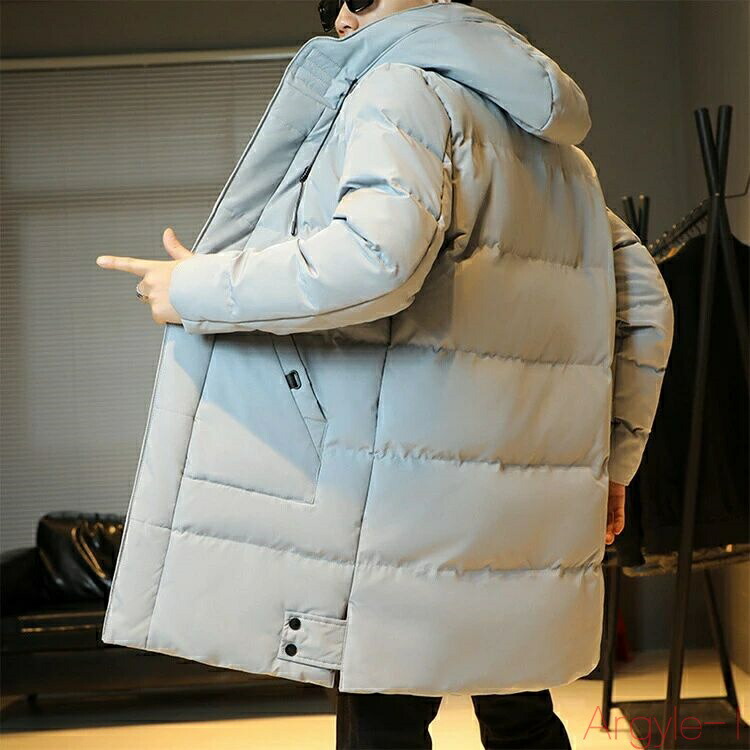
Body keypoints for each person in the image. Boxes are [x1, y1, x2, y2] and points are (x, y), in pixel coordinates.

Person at [96, 2, 674, 749]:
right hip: (521, 519)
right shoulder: (558, 151)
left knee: (383, 726)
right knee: (523, 718)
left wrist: (196, 290)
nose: (340, 16)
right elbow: (647, 306)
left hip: (407, 511)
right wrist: (613, 468)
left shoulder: (400, 88)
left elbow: (375, 261)